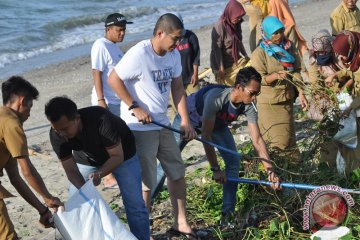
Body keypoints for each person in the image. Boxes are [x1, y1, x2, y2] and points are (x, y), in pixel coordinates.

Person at [108, 13, 199, 239]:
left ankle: (181, 222)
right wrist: (134, 106)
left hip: (163, 124)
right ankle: (143, 231)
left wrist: (185, 120)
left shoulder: (173, 55)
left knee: (177, 172)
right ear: (160, 33)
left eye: (180, 39)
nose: (178, 44)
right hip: (139, 128)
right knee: (146, 182)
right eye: (175, 39)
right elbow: (113, 79)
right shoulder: (139, 53)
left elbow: (177, 88)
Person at [172, 67, 280, 226]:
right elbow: (206, 137)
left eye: (257, 94)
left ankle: (227, 215)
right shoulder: (216, 99)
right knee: (168, 163)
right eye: (252, 93)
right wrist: (215, 169)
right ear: (238, 88)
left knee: (234, 161)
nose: (255, 98)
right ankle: (145, 210)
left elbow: (257, 139)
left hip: (217, 124)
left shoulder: (249, 105)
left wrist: (270, 171)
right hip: (188, 119)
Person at [44, 97, 150, 240]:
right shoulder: (56, 134)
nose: (61, 133)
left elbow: (117, 156)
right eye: (57, 130)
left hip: (124, 155)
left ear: (77, 118)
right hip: (87, 159)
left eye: (65, 129)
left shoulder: (101, 119)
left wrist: (99, 174)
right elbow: (70, 170)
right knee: (77, 205)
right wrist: (86, 192)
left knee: (135, 205)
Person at [0, 76, 62, 240]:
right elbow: (27, 171)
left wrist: (43, 210)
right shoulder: (12, 123)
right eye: (30, 106)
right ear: (21, 101)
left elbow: (16, 178)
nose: (29, 113)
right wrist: (48, 198)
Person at [250, 16, 308, 160]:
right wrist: (274, 76)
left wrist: (301, 92)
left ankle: (294, 167)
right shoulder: (260, 53)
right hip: (269, 103)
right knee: (277, 142)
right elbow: (257, 79)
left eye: (281, 31)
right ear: (267, 33)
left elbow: (296, 71)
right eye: (275, 33)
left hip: (286, 99)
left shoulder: (289, 46)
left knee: (289, 138)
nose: (279, 36)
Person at [91, 13, 133, 189]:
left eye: (124, 30)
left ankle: (114, 173)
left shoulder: (115, 47)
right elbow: (97, 72)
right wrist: (101, 100)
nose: (122, 33)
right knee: (109, 140)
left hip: (117, 101)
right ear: (108, 29)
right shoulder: (101, 45)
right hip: (106, 100)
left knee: (118, 138)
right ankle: (108, 177)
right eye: (119, 30)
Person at [210, 0, 250, 86]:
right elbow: (217, 49)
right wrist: (221, 68)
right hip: (220, 62)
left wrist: (245, 55)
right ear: (230, 13)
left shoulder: (237, 22)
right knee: (229, 87)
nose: (239, 19)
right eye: (237, 17)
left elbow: (239, 42)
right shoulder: (219, 26)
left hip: (234, 59)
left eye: (240, 17)